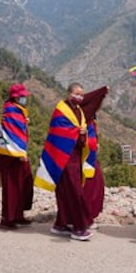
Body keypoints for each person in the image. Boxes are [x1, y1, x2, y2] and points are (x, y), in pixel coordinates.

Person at [35, 82, 95, 241]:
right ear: (68, 93)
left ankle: (61, 224)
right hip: (63, 157)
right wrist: (78, 131)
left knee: (65, 192)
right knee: (74, 192)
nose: (79, 97)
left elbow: (81, 133)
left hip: (74, 156)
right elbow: (58, 131)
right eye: (76, 93)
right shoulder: (61, 110)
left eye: (81, 94)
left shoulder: (79, 112)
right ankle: (78, 228)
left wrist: (82, 133)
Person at [0, 83, 34, 230]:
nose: (24, 98)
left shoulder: (17, 109)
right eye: (22, 96)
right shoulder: (11, 110)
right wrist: (20, 153)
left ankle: (18, 215)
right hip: (11, 154)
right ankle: (7, 219)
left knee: (23, 183)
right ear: (15, 97)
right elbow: (13, 134)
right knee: (12, 186)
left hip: (16, 152)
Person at [80, 86, 109, 227]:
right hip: (83, 160)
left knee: (97, 187)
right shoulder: (82, 119)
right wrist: (101, 93)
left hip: (91, 159)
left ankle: (89, 215)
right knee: (88, 189)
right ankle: (84, 218)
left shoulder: (91, 119)